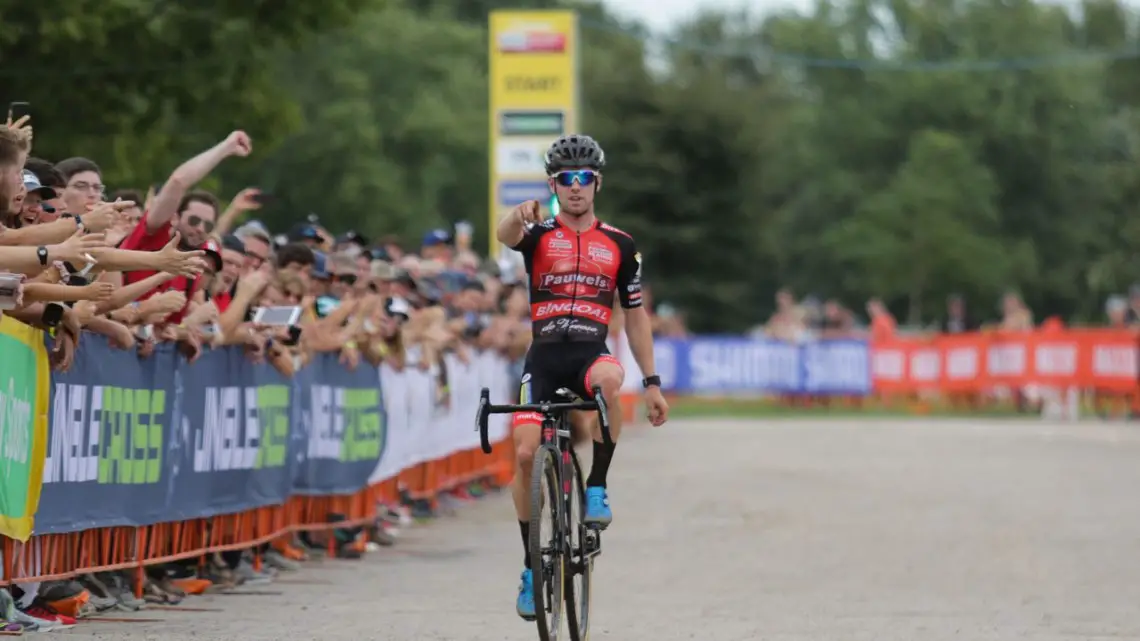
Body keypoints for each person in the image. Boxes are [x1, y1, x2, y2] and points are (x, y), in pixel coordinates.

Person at [495, 134, 669, 620]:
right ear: (554, 184)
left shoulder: (619, 244)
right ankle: (532, 568)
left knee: (610, 380)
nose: (576, 188)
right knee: (527, 453)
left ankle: (597, 485)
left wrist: (652, 382)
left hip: (590, 352)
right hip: (544, 358)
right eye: (566, 180)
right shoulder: (538, 233)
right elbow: (503, 235)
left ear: (597, 184)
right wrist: (518, 212)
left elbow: (635, 318)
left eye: (584, 179)